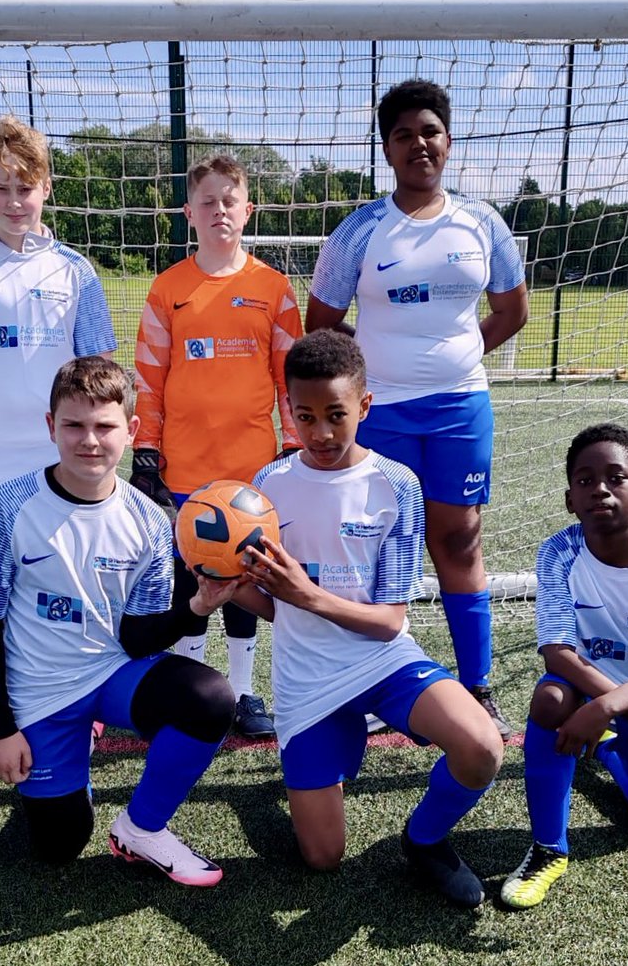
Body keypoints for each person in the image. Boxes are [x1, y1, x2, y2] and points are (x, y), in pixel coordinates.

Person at [200, 330, 504, 906]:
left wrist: (306, 594)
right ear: (286, 409)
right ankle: (328, 747)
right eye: (305, 415)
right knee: (322, 859)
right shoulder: (268, 487)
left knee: (483, 747)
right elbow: (274, 606)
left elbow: (389, 622)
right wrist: (230, 591)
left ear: (364, 407)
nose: (319, 433)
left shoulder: (397, 485)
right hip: (306, 678)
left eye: (336, 415)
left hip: (383, 660)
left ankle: (425, 839)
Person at [305, 79, 529, 740]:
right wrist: (376, 371)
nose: (418, 144)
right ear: (388, 149)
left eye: (429, 131)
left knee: (458, 540)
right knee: (378, 547)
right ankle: (372, 687)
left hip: (462, 408)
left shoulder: (483, 222)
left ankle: (477, 685)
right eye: (404, 135)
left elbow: (513, 310)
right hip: (385, 415)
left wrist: (458, 355)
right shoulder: (361, 230)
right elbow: (322, 324)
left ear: (448, 141)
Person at [0, 356, 236, 886]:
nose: (90, 440)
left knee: (209, 699)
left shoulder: (151, 522)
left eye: (105, 426)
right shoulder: (7, 507)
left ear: (130, 431)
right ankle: (45, 748)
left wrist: (197, 607)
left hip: (113, 674)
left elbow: (138, 638)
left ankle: (143, 828)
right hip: (38, 691)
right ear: (51, 427)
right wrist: (0, 729)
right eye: (74, 425)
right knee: (59, 845)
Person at [499, 423, 628, 910]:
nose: (599, 488)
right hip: (589, 691)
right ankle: (548, 848)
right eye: (584, 480)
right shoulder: (559, 552)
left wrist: (618, 710)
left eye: (616, 478)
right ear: (570, 499)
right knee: (550, 698)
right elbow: (557, 653)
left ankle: (611, 748)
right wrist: (609, 707)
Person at [132, 154, 302, 738]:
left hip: (253, 471)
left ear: (247, 210)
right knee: (190, 582)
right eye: (208, 201)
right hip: (184, 468)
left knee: (244, 586)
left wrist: (295, 445)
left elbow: (288, 377)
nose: (219, 210)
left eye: (230, 200)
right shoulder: (168, 289)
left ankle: (246, 693)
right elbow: (149, 377)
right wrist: (146, 450)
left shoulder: (273, 289)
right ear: (189, 214)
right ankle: (191, 688)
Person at [0, 114, 116, 526]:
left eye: (25, 189)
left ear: (47, 188)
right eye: (0, 188)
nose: (13, 201)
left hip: (64, 456)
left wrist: (100, 451)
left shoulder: (76, 271)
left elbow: (101, 372)